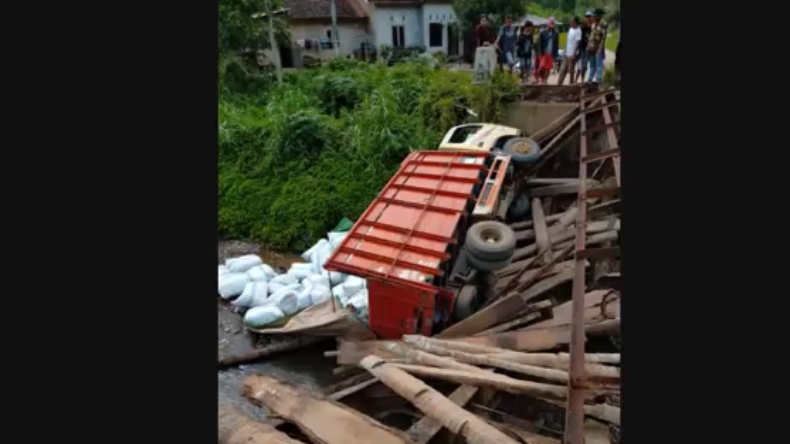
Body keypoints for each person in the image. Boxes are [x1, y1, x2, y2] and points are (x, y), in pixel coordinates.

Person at [586, 8, 608, 84]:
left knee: (599, 65)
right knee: (592, 65)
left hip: (598, 47)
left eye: (595, 16)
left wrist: (600, 48)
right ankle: (590, 80)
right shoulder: (593, 24)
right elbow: (591, 36)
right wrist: (588, 45)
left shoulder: (603, 24)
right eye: (593, 16)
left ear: (599, 16)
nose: (593, 17)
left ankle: (598, 79)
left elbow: (603, 38)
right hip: (592, 47)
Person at [535, 17, 559, 84]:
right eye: (551, 23)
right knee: (542, 66)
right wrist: (540, 53)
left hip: (551, 53)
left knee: (548, 68)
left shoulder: (556, 33)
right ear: (548, 24)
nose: (552, 25)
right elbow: (539, 43)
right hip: (543, 52)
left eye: (553, 23)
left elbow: (556, 45)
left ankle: (545, 80)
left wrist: (555, 55)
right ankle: (537, 78)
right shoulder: (543, 32)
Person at [558, 17, 581, 85]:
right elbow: (567, 41)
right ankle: (559, 84)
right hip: (567, 53)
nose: (570, 22)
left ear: (575, 22)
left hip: (572, 54)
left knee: (571, 71)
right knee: (563, 69)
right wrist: (564, 50)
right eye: (570, 21)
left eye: (572, 21)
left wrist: (573, 54)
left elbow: (577, 43)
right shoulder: (570, 29)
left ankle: (571, 84)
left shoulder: (578, 31)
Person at [577, 11, 592, 82]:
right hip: (582, 48)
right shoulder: (583, 26)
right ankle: (576, 79)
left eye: (589, 17)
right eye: (587, 17)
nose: (588, 18)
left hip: (588, 48)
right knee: (580, 66)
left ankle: (582, 79)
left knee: (585, 66)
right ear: (585, 18)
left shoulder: (593, 26)